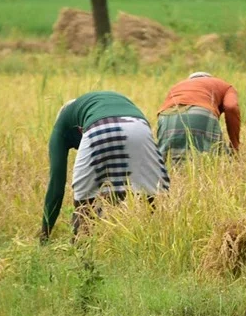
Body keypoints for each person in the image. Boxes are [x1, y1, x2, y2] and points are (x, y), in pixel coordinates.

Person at [41, 91, 170, 241]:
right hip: (140, 127)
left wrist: (45, 233)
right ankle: (156, 242)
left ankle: (82, 252)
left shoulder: (62, 124)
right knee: (153, 194)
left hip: (99, 128)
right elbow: (121, 180)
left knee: (84, 205)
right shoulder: (105, 101)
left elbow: (56, 184)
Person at [156, 72, 241, 163]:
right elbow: (231, 106)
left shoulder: (177, 86)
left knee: (169, 162)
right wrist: (234, 146)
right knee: (219, 161)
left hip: (166, 117)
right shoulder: (225, 86)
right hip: (200, 113)